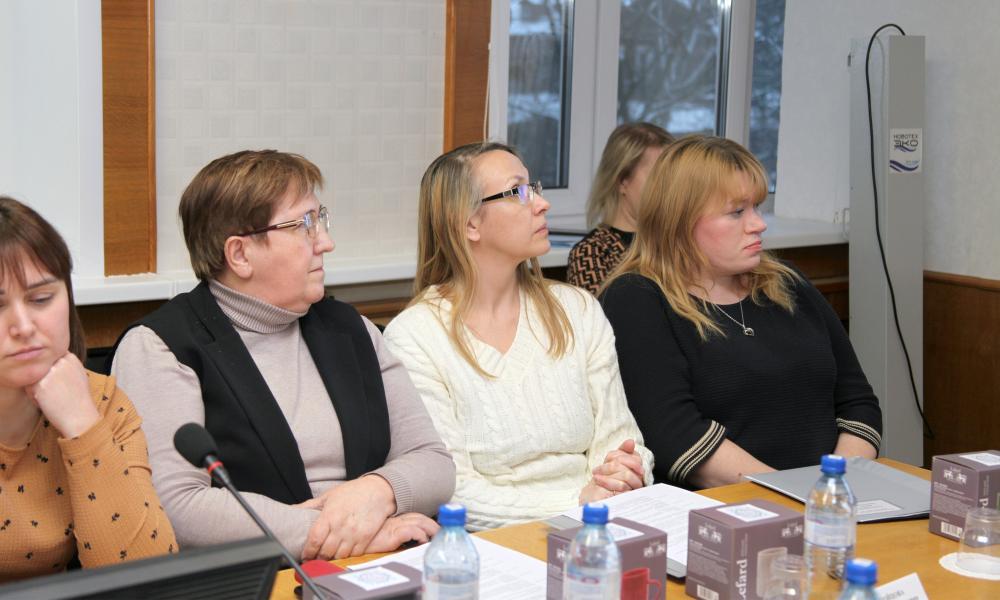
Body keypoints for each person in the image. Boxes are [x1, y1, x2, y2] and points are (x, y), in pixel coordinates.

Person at [109, 150, 454, 560]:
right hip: (266, 575)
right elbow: (178, 508)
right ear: (240, 254)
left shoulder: (351, 329)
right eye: (304, 225)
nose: (326, 242)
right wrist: (333, 534)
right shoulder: (160, 346)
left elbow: (433, 462)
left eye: (320, 219)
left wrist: (377, 492)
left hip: (381, 557)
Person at [383, 142, 653, 531]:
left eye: (535, 188)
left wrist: (626, 470)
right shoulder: (415, 337)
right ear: (469, 224)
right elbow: (450, 489)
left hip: (601, 524)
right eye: (518, 191)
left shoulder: (577, 310)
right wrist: (578, 503)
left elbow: (623, 440)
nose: (542, 203)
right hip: (494, 542)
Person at [600, 135, 883, 489]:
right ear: (679, 220)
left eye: (757, 208)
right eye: (737, 212)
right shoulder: (637, 297)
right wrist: (797, 494)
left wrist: (836, 487)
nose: (758, 224)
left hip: (832, 496)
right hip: (729, 507)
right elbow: (676, 435)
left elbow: (858, 402)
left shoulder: (787, 283)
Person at [0, 197, 176, 582]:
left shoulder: (100, 400)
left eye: (41, 299)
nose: (24, 326)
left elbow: (149, 576)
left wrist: (82, 425)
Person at [567, 122, 674, 294]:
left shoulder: (675, 242)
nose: (670, 187)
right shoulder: (593, 253)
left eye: (673, 178)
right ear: (622, 181)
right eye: (658, 177)